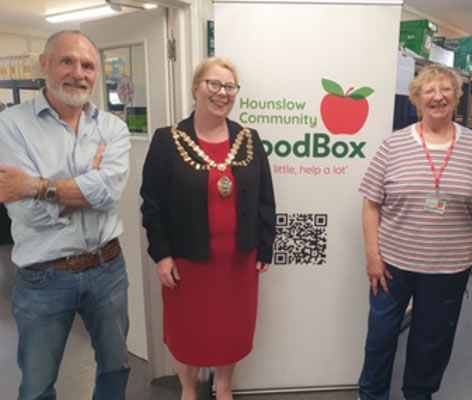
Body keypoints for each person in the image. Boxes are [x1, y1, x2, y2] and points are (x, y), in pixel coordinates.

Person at [0, 30, 131, 399]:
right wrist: (85, 185)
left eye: (88, 65)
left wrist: (38, 184)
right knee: (37, 385)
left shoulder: (113, 128)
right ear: (44, 65)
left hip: (108, 269)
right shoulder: (10, 126)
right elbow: (28, 212)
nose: (79, 73)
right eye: (67, 61)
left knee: (116, 367)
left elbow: (108, 193)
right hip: (44, 276)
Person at [140, 57, 276, 400]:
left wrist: (265, 245)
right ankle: (189, 389)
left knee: (231, 330)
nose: (222, 93)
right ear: (195, 89)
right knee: (190, 330)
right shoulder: (166, 141)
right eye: (213, 84)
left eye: (229, 87)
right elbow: (152, 205)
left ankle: (225, 387)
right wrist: (162, 255)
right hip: (188, 261)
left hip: (238, 260)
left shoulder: (250, 139)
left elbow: (265, 198)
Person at [357, 64, 472, 400]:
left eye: (445, 89)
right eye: (428, 90)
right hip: (392, 264)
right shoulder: (394, 144)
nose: (437, 96)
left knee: (432, 341)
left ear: (456, 97)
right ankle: (371, 395)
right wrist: (373, 256)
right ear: (416, 99)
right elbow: (371, 203)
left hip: (449, 266)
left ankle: (419, 395)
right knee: (381, 336)